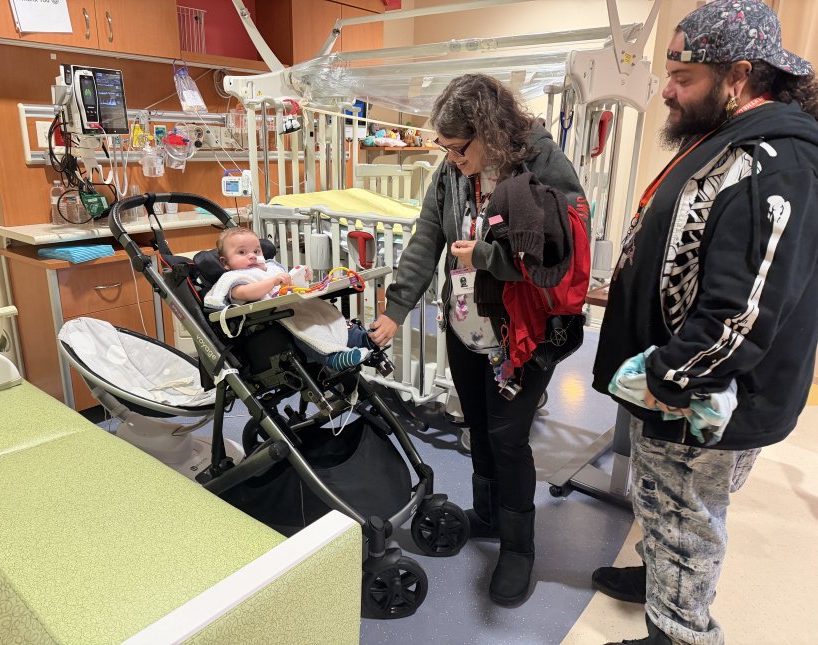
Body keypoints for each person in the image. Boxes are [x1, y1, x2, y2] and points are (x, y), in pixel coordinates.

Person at [590, 2, 818, 643]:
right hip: (680, 387)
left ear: (739, 76)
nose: (666, 89)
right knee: (663, 506)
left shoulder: (770, 165)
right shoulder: (726, 144)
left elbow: (742, 313)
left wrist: (666, 375)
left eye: (682, 76)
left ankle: (680, 630)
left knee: (688, 521)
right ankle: (654, 571)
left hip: (699, 395)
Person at [369, 74, 588, 607]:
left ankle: (519, 549)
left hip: (522, 334)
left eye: (459, 146)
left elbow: (557, 255)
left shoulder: (543, 166)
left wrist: (486, 257)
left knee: (509, 438)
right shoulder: (451, 174)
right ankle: (489, 514)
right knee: (480, 431)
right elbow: (427, 236)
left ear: (490, 131)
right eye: (444, 147)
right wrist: (397, 309)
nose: (451, 156)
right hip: (466, 328)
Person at [205, 226, 372, 372]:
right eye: (242, 252)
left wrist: (301, 275)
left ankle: (360, 338)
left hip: (298, 305)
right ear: (225, 262)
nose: (252, 256)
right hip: (276, 317)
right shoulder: (233, 278)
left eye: (256, 251)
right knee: (310, 328)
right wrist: (272, 282)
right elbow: (246, 293)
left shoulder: (269, 269)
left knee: (330, 317)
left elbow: (291, 285)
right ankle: (333, 357)